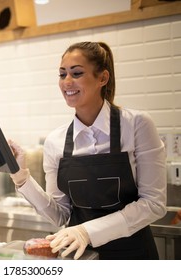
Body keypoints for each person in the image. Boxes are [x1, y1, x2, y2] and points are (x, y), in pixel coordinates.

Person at [9, 41, 167, 260]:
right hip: (80, 258)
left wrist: (86, 231)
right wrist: (21, 178)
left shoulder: (136, 125)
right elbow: (60, 214)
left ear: (102, 78)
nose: (67, 82)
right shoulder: (55, 141)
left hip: (133, 255)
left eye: (76, 73)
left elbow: (153, 204)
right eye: (62, 74)